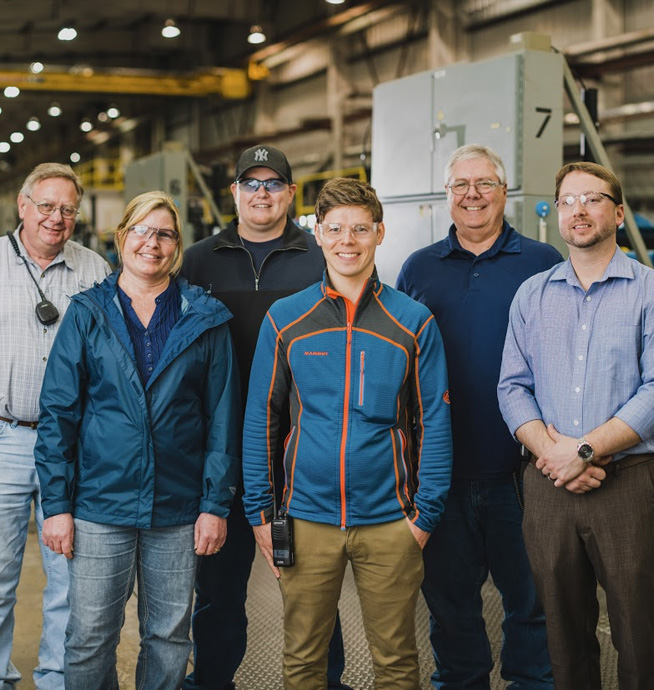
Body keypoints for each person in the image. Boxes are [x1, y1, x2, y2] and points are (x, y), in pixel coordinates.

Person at [243, 177, 453, 690]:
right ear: (319, 234)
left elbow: (434, 423)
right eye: (335, 229)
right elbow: (261, 420)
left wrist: (423, 517)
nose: (347, 241)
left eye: (360, 229)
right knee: (303, 662)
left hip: (390, 522)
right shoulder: (286, 318)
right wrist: (261, 513)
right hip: (307, 519)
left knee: (398, 663)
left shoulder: (413, 321)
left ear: (380, 233)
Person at [34, 191, 241, 689]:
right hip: (99, 506)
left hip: (177, 507)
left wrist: (215, 504)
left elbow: (222, 419)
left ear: (177, 245)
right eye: (142, 231)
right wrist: (57, 505)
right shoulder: (87, 313)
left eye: (165, 233)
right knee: (89, 638)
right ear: (122, 237)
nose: (153, 242)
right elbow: (59, 413)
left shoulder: (207, 319)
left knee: (169, 638)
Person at [181, 145, 350, 690]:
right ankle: (211, 680)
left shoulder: (319, 257)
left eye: (273, 183)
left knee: (312, 584)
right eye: (250, 183)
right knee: (219, 589)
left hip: (302, 449)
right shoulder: (197, 261)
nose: (261, 193)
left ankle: (324, 680)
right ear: (233, 193)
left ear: (291, 194)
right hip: (221, 448)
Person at [396, 144, 560, 689]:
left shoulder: (541, 262)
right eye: (460, 185)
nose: (472, 195)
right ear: (446, 195)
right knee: (449, 605)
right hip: (441, 472)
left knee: (530, 603)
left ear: (503, 192)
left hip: (522, 472)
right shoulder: (419, 267)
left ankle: (530, 682)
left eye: (484, 184)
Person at [498, 161, 654, 690]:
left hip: (629, 483)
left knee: (641, 631)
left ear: (617, 210)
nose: (579, 210)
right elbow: (512, 387)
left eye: (592, 198)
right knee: (561, 634)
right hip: (548, 485)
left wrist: (583, 450)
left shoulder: (648, 292)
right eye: (568, 200)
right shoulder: (532, 295)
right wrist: (553, 452)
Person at [0, 162, 110, 690]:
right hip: (6, 437)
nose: (56, 218)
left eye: (67, 208)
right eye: (46, 205)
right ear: (23, 205)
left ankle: (58, 679)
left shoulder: (95, 271)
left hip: (72, 444)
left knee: (69, 575)